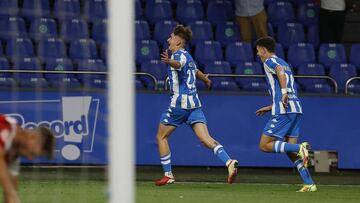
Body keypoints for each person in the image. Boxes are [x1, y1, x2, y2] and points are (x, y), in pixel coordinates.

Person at [154, 25, 238, 186]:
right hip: (194, 106)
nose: (168, 40)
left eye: (171, 37)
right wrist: (205, 79)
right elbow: (196, 71)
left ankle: (168, 174)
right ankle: (229, 162)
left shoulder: (178, 55)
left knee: (161, 136)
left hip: (179, 105)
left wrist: (169, 60)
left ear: (178, 41)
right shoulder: (189, 57)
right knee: (206, 139)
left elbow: (178, 64)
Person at [254, 37, 317, 192]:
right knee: (289, 151)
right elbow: (287, 84)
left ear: (263, 49)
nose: (257, 54)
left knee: (264, 145)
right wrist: (271, 106)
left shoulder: (269, 62)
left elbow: (280, 74)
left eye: (258, 51)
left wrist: (282, 93)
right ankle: (309, 183)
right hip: (295, 109)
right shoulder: (285, 63)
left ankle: (300, 147)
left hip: (285, 110)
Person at [0, 114, 55, 203]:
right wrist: (11, 194)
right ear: (32, 137)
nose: (29, 158)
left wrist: (12, 196)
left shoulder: (14, 154)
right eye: (32, 153)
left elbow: (11, 192)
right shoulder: (5, 127)